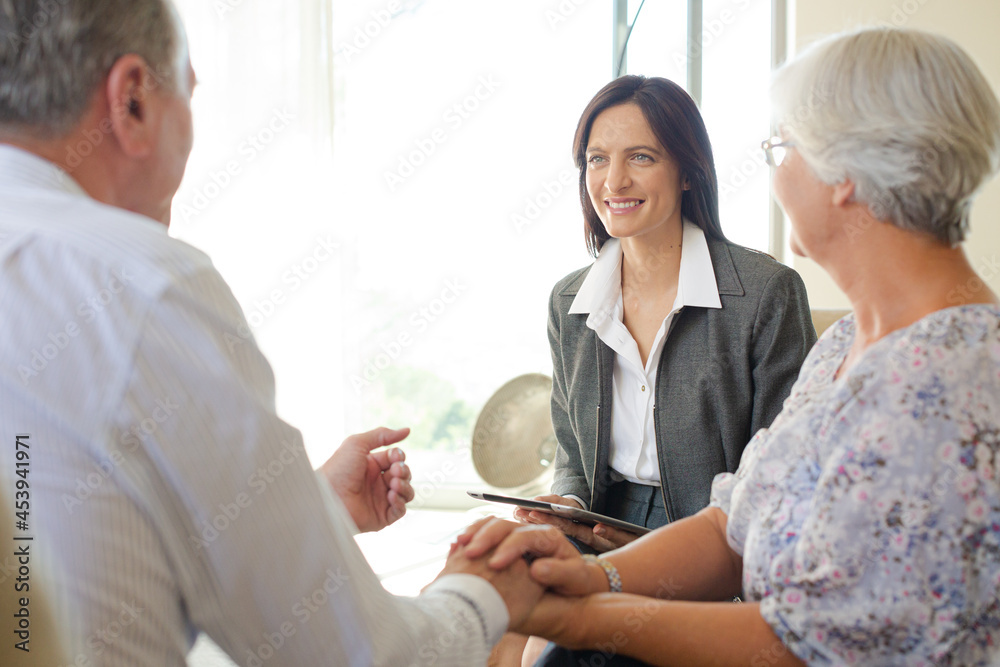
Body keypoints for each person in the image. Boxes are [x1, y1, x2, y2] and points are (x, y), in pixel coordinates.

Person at [0, 1, 541, 665]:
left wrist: (308, 510)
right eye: (188, 94)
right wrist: (483, 593)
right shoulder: (141, 283)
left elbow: (76, 542)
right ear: (133, 100)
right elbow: (354, 657)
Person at [461, 26, 1000, 665]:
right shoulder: (846, 346)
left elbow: (808, 645)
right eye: (597, 160)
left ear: (846, 174)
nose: (775, 171)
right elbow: (732, 521)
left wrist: (582, 617)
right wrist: (591, 578)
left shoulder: (950, 383)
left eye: (782, 147)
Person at [516, 75, 816, 553]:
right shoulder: (568, 302)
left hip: (717, 541)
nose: (614, 181)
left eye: (641, 157)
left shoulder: (766, 293)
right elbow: (573, 456)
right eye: (597, 159)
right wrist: (567, 505)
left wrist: (658, 549)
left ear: (688, 172)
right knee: (486, 568)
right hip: (595, 525)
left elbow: (783, 471)